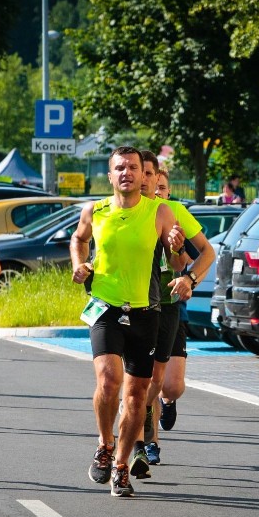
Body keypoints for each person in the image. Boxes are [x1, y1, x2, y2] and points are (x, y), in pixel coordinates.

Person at [70, 146, 194, 497]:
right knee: (109, 381)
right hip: (106, 309)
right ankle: (104, 445)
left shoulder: (159, 211)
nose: (126, 173)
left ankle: (121, 465)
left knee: (137, 395)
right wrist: (79, 264)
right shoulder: (95, 211)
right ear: (110, 175)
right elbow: (79, 239)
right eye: (119, 168)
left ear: (144, 176)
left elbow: (177, 259)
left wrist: (175, 244)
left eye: (133, 168)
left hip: (146, 312)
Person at [137, 157, 214, 469]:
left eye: (149, 173)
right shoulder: (116, 211)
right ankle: (148, 440)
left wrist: (187, 275)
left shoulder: (174, 213)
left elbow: (200, 256)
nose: (142, 179)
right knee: (134, 380)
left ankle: (158, 412)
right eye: (135, 171)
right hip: (129, 306)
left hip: (167, 305)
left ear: (158, 181)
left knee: (168, 385)